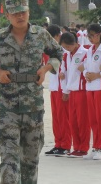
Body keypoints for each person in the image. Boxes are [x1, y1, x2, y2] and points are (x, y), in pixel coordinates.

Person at [0, 0, 64, 184]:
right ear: (7, 15)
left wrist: (46, 68)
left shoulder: (40, 34)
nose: (20, 16)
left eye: (23, 12)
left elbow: (58, 52)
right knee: (9, 159)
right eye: (15, 13)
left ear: (28, 12)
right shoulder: (0, 38)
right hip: (7, 106)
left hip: (33, 105)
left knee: (30, 160)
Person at [81, 23, 101, 160]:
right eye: (89, 36)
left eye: (92, 36)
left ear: (99, 35)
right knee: (93, 118)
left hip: (100, 87)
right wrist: (87, 73)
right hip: (90, 87)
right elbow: (85, 66)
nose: (91, 39)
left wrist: (97, 75)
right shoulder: (89, 50)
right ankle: (95, 146)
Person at [59, 31, 90, 157]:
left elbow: (88, 70)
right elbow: (65, 73)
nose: (67, 49)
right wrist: (65, 91)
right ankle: (76, 146)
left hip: (82, 91)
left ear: (75, 43)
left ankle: (84, 147)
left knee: (82, 121)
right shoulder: (66, 56)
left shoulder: (85, 54)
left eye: (68, 46)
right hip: (71, 91)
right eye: (65, 47)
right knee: (73, 121)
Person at [43, 25, 72, 156]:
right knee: (56, 118)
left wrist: (66, 90)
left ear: (57, 36)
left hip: (62, 87)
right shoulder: (51, 50)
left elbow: (66, 72)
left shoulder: (64, 52)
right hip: (54, 87)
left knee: (63, 117)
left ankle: (65, 145)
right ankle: (58, 143)